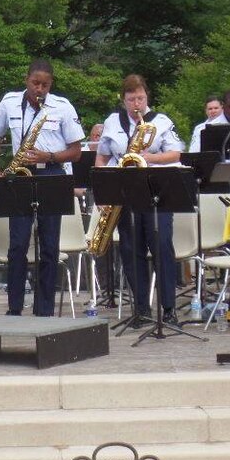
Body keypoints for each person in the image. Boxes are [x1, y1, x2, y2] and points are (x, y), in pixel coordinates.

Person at [0, 59, 84, 317]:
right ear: (26, 79)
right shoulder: (9, 103)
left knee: (50, 245)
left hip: (52, 175)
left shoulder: (62, 107)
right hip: (20, 175)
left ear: (51, 84)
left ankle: (45, 309)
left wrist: (48, 156)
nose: (39, 89)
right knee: (17, 244)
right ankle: (14, 308)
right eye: (35, 83)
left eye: (45, 85)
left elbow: (76, 152)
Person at [96, 74, 185, 326]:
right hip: (125, 194)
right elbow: (102, 158)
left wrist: (149, 157)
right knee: (130, 250)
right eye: (131, 98)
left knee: (162, 248)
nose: (137, 104)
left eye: (141, 98)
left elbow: (177, 152)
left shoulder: (162, 121)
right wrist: (103, 191)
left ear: (147, 97)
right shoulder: (113, 122)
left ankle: (168, 309)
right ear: (123, 99)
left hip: (157, 192)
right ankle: (142, 309)